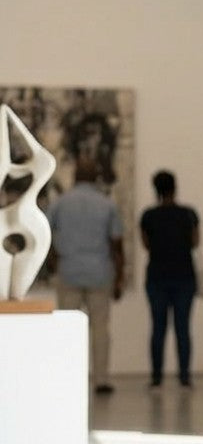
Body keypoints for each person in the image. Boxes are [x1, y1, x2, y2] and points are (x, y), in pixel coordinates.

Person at [47, 156, 124, 395]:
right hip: (99, 272)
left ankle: (67, 375)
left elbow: (45, 234)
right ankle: (101, 379)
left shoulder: (61, 203)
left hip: (69, 271)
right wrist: (119, 276)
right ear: (95, 178)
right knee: (100, 328)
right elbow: (117, 244)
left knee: (66, 328)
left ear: (75, 176)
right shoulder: (106, 204)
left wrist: (53, 262)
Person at [139, 170, 200, 388]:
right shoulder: (188, 214)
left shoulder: (148, 216)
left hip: (157, 277)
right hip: (184, 277)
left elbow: (146, 244)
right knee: (183, 328)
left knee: (158, 328)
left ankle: (157, 376)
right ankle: (184, 375)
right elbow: (195, 242)